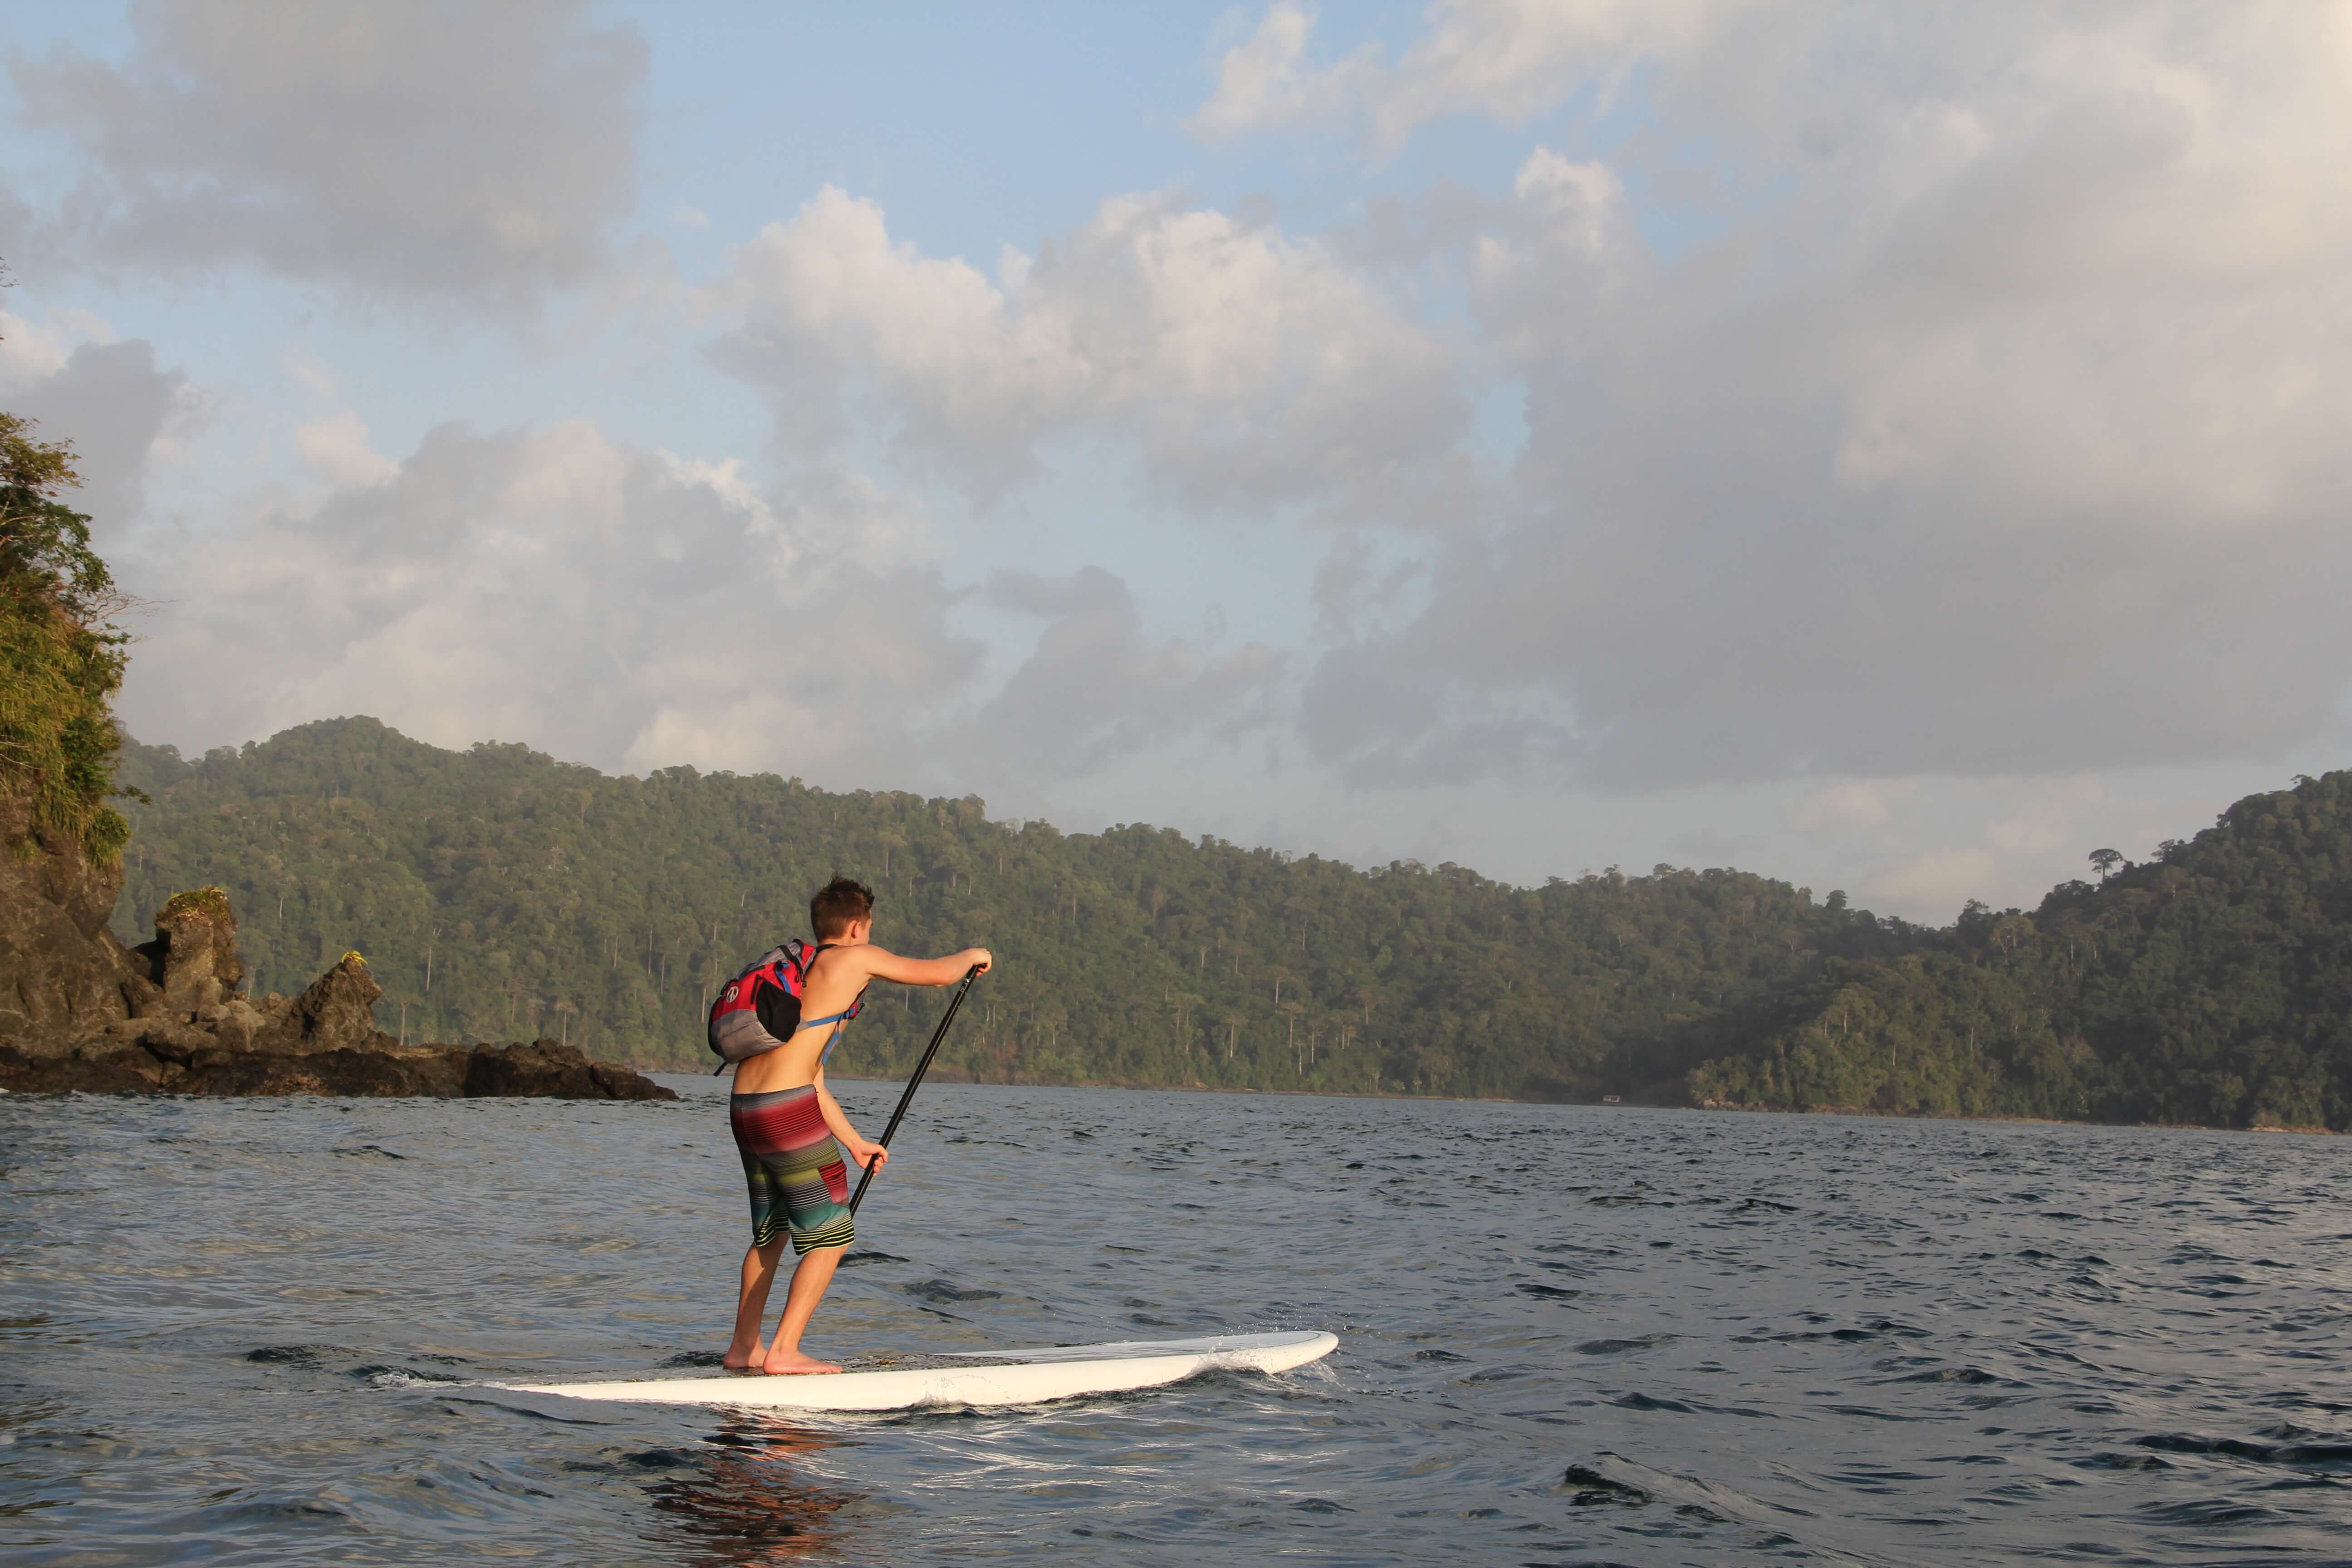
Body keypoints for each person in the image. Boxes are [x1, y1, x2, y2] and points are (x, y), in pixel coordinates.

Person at [721, 875, 992, 1374]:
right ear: (855, 927)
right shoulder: (853, 960)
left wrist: (854, 1143)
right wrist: (974, 954)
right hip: (786, 1112)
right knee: (833, 1236)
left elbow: (812, 1077)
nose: (868, 936)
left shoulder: (798, 970)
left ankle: (744, 1349)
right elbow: (938, 975)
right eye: (868, 928)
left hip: (746, 1108)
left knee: (771, 1234)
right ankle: (783, 1352)